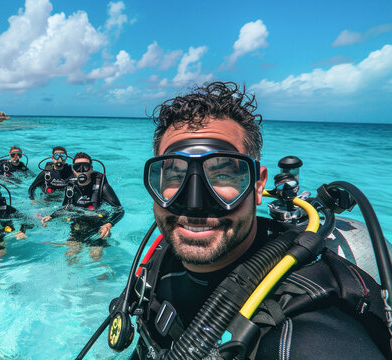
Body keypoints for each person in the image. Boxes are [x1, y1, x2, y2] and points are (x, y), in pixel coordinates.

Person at [128, 82, 390, 359]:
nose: (194, 203)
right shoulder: (160, 257)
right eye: (175, 174)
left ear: (257, 185)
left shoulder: (303, 327)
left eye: (223, 174)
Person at [41, 152, 124, 261]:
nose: (81, 171)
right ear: (73, 170)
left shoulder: (102, 186)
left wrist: (108, 224)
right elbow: (66, 207)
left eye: (85, 167)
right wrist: (52, 216)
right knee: (70, 257)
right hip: (77, 228)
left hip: (97, 229)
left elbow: (119, 210)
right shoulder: (70, 186)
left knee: (95, 257)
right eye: (77, 167)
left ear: (91, 169)